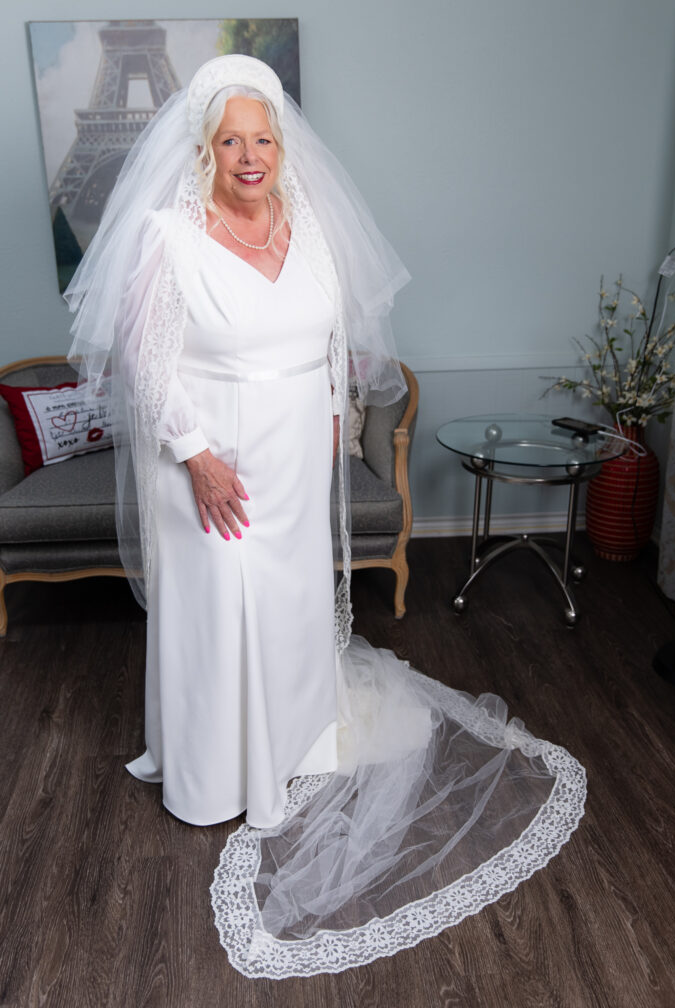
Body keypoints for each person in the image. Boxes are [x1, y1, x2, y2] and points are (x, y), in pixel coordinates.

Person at [67, 55, 586, 978]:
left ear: (279, 144)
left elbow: (332, 341)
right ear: (206, 149)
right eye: (232, 140)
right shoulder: (166, 235)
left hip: (296, 459)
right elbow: (148, 367)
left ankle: (293, 738)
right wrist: (197, 458)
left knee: (288, 605)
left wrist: (334, 418)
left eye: (262, 137)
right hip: (211, 464)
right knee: (221, 609)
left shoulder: (305, 227)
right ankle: (216, 772)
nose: (250, 155)